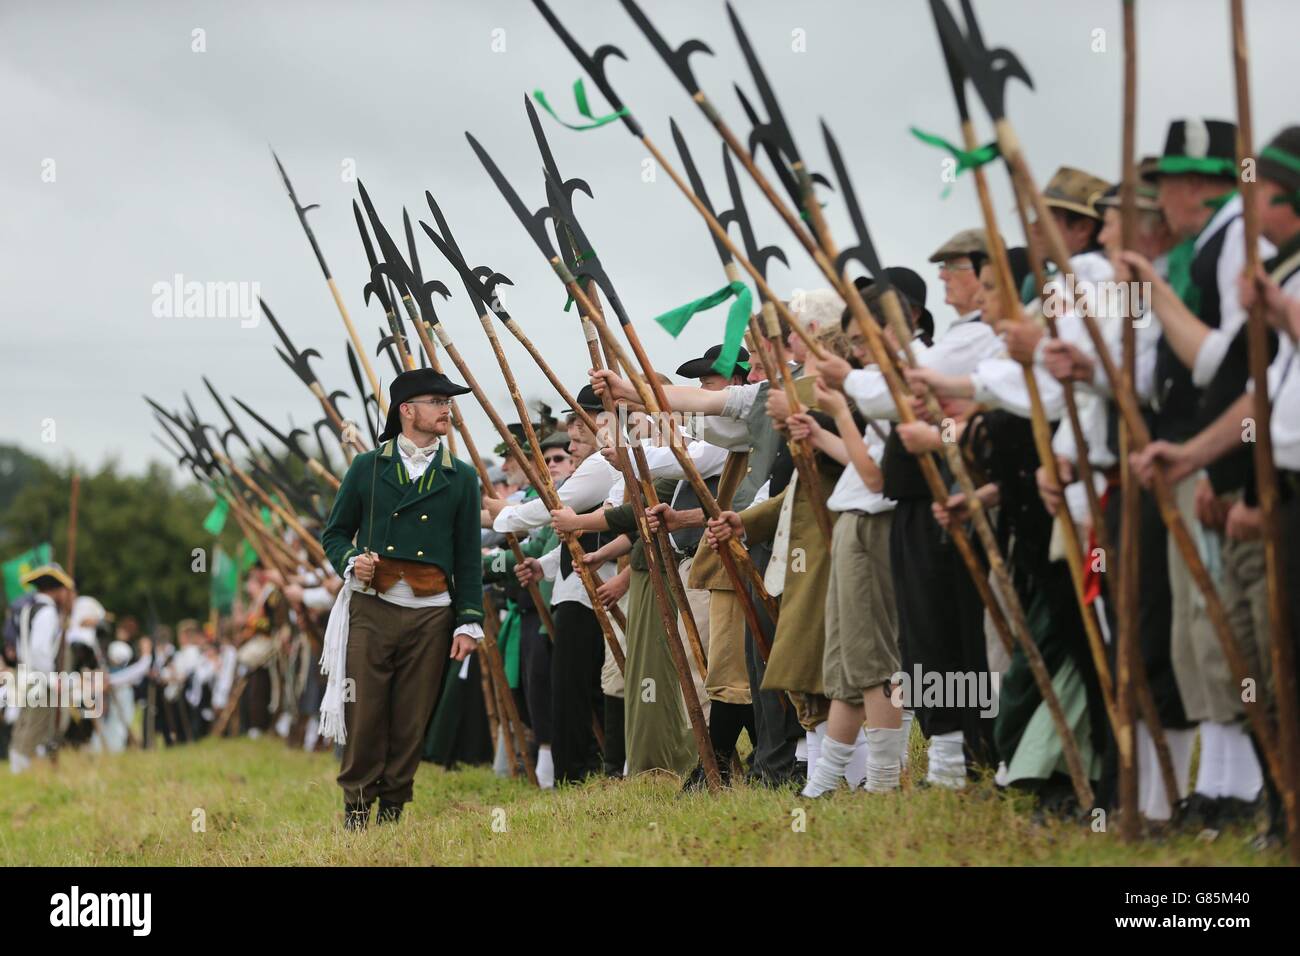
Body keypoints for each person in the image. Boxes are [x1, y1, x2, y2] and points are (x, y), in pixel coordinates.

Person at [320, 367, 485, 829]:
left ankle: (392, 809)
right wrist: (353, 560)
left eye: (448, 403)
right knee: (365, 712)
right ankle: (356, 808)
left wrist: (469, 620)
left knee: (411, 720)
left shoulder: (461, 477)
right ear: (406, 410)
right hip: (372, 609)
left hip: (432, 616)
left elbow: (468, 557)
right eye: (436, 401)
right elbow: (333, 534)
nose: (446, 409)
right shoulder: (366, 467)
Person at [9, 562, 74, 774]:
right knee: (35, 724)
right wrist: (51, 678)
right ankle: (21, 769)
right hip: (39, 676)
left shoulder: (27, 608)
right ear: (55, 589)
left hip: (25, 672)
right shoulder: (47, 612)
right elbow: (40, 650)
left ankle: (19, 765)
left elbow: (22, 645)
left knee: (25, 722)